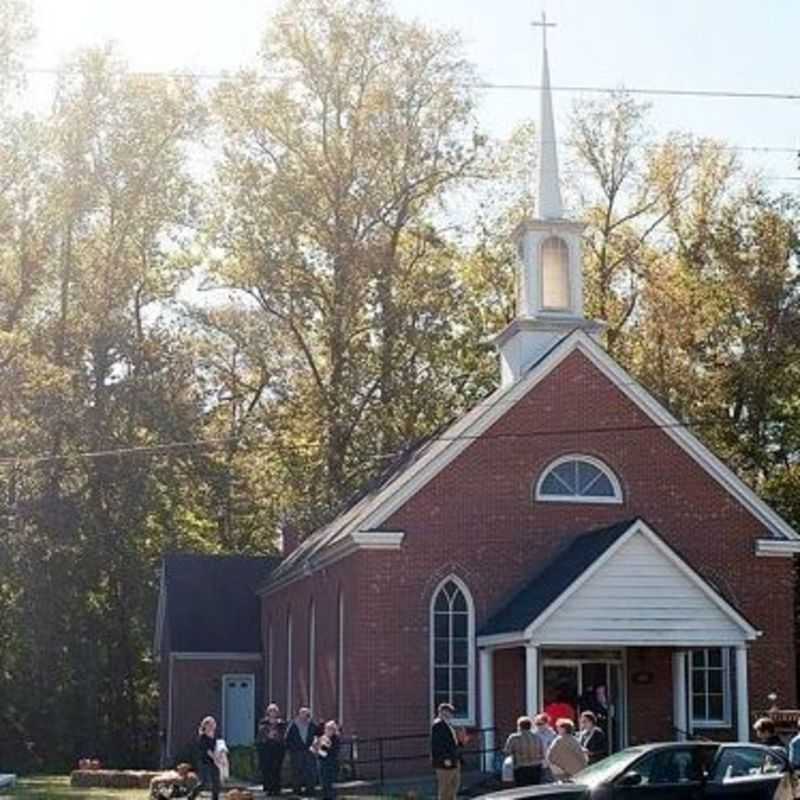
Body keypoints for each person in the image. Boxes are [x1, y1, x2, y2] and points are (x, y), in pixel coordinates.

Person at [286, 707, 320, 795]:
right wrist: (293, 749)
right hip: (297, 752)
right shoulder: (293, 725)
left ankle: (310, 790)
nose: (305, 717)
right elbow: (287, 738)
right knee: (297, 772)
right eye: (303, 714)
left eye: (307, 715)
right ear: (299, 715)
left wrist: (316, 743)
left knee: (310, 771)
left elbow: (319, 735)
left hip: (309, 751)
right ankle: (297, 791)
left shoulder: (312, 725)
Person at [430, 702, 461, 800]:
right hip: (444, 763)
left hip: (454, 760)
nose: (451, 714)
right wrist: (445, 758)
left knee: (454, 786)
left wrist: (460, 742)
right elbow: (437, 745)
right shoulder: (438, 725)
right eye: (449, 711)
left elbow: (450, 743)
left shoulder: (448, 725)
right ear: (442, 712)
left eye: (451, 712)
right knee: (445, 789)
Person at [504, 716, 545, 786]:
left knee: (522, 790)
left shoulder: (514, 738)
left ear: (519, 726)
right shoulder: (537, 737)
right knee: (535, 789)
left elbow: (507, 752)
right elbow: (542, 754)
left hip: (521, 768)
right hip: (536, 767)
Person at [257, 703, 287, 796]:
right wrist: (268, 736)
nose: (272, 712)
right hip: (266, 748)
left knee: (276, 768)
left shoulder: (281, 723)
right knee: (267, 768)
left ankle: (276, 788)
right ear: (268, 712)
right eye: (271, 710)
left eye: (274, 710)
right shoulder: (263, 722)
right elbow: (260, 735)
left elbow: (284, 735)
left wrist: (277, 735)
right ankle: (269, 788)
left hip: (278, 748)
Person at [189, 716, 221, 800]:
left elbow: (220, 746)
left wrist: (222, 757)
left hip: (213, 762)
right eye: (210, 724)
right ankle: (191, 796)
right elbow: (208, 751)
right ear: (205, 726)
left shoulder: (216, 736)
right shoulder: (202, 737)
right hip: (204, 762)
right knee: (204, 783)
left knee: (216, 783)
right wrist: (216, 758)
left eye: (213, 723)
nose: (212, 726)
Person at [312, 720, 341, 800]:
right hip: (322, 763)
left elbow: (323, 753)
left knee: (328, 784)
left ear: (333, 730)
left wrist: (317, 748)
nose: (327, 730)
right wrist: (316, 744)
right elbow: (313, 749)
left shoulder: (334, 739)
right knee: (323, 784)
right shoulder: (324, 738)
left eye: (329, 729)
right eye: (326, 728)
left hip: (330, 764)